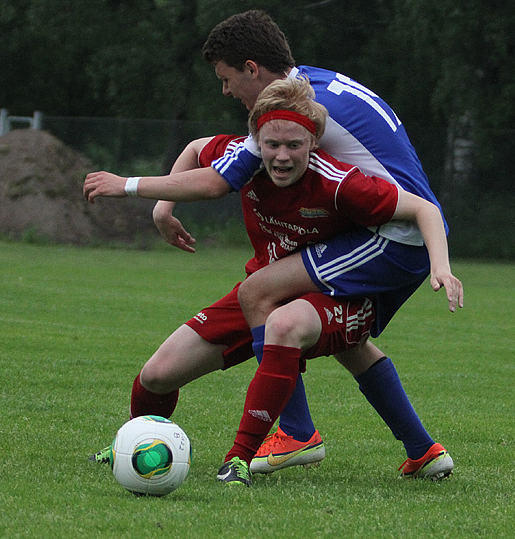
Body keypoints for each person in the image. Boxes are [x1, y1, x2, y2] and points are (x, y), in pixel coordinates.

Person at [84, 76, 462, 486]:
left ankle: (244, 458)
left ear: (314, 142)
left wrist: (441, 267)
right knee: (157, 374)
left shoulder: (340, 184)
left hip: (323, 296)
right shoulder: (242, 161)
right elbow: (196, 150)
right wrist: (163, 209)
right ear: (256, 140)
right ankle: (131, 441)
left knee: (281, 319)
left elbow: (424, 209)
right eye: (272, 145)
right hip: (271, 290)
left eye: (294, 146)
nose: (282, 157)